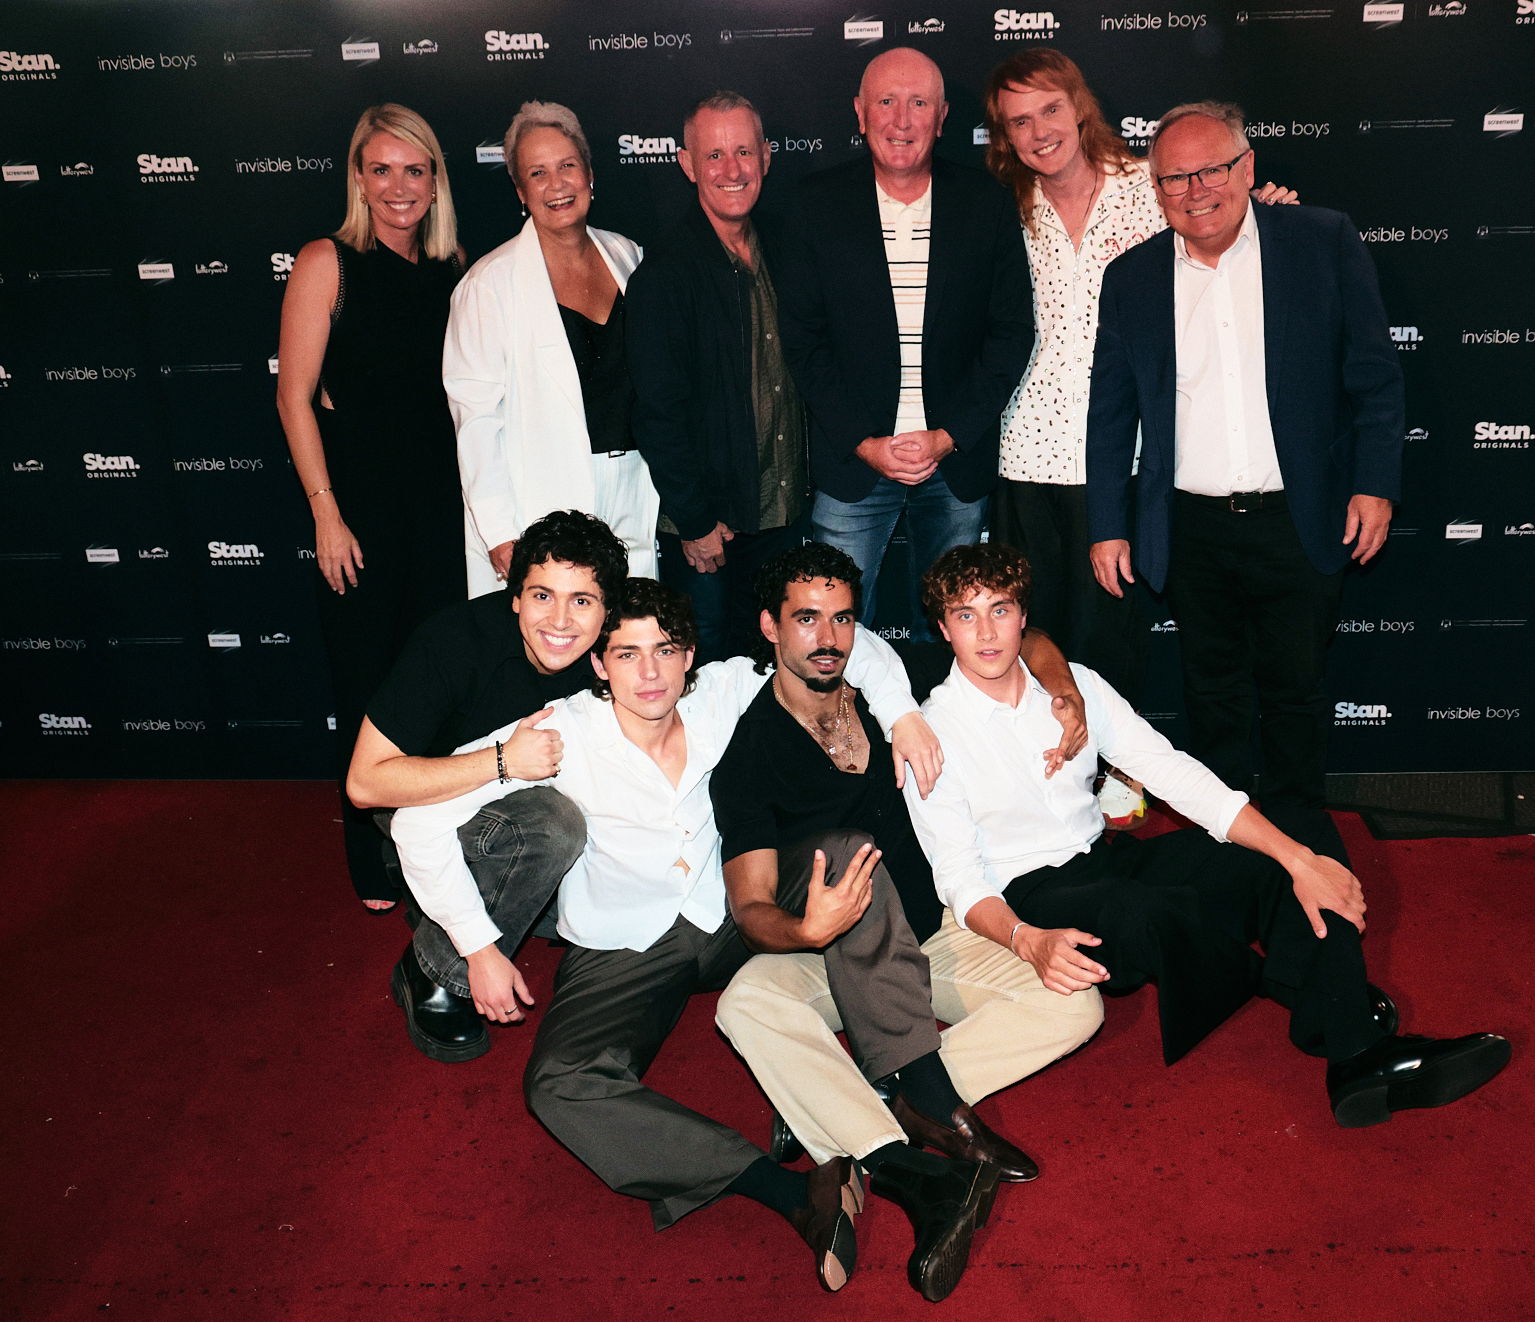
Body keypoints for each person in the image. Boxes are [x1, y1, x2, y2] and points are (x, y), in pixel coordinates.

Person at [390, 578, 966, 1290]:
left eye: (665, 651)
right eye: (627, 655)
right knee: (559, 1086)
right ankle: (792, 1191)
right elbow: (417, 822)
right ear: (598, 664)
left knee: (848, 853)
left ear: (689, 654)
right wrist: (478, 947)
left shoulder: (720, 691)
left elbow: (840, 643)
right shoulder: (558, 731)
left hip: (727, 913)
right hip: (623, 940)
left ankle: (913, 1088)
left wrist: (904, 714)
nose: (651, 674)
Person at [905, 542, 1508, 1126]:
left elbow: (1170, 771)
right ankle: (1324, 994)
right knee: (1145, 910)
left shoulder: (1077, 687)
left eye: (999, 611)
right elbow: (959, 880)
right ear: (943, 628)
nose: (986, 633)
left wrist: (1297, 859)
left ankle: (1352, 1051)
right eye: (966, 615)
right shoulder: (933, 733)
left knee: (1298, 826)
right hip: (1034, 896)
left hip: (1108, 859)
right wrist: (1025, 941)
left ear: (1023, 618)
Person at [709, 544, 1103, 1300]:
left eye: (842, 618)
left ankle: (862, 1105)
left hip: (939, 927)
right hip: (830, 951)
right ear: (768, 627)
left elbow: (1027, 640)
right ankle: (921, 1141)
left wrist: (1063, 692)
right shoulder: (750, 758)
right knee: (746, 1001)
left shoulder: (899, 686)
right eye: (804, 619)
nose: (827, 637)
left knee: (1076, 1001)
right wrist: (808, 929)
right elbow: (752, 908)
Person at [1084, 102, 1405, 809]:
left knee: (1295, 694)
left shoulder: (1321, 241)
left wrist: (1375, 482)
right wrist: (1108, 523)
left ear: (1248, 167)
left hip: (1299, 519)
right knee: (1211, 698)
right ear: (1155, 189)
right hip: (1190, 531)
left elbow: (1375, 376)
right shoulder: (1130, 278)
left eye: (1213, 170)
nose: (1196, 190)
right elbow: (1109, 414)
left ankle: (1295, 846)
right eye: (1175, 179)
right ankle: (1226, 852)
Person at [982, 52, 1296, 704]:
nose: (1039, 131)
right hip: (1025, 456)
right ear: (1004, 136)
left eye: (1049, 109)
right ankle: (1046, 776)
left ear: (1078, 107)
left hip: (1123, 455)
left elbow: (1221, 226)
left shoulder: (1150, 187)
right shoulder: (1003, 207)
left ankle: (1118, 770)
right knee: (1031, 633)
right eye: (1019, 121)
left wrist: (1264, 209)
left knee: (1114, 635)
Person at [345, 510, 628, 1063]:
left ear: (606, 611)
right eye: (543, 595)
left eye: (583, 601)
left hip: (512, 789)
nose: (562, 621)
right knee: (552, 828)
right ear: (515, 596)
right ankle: (431, 969)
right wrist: (501, 761)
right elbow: (364, 785)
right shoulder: (452, 644)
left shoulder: (604, 653)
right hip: (415, 792)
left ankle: (449, 889)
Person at [275, 103, 468, 911]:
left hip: (443, 516)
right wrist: (325, 513)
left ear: (434, 181)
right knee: (366, 681)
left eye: (414, 170)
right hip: (356, 515)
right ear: (358, 177)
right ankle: (368, 848)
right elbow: (292, 396)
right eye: (381, 169)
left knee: (438, 685)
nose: (398, 187)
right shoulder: (329, 261)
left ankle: (435, 844)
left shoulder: (457, 270)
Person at [776, 48, 1033, 632]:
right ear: (860, 113)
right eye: (886, 102)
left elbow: (1011, 332)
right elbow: (804, 342)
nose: (902, 120)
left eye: (919, 103)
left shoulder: (986, 203)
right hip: (854, 466)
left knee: (956, 633)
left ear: (942, 117)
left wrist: (950, 434)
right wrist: (863, 442)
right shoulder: (815, 206)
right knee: (833, 635)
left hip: (955, 466)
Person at [445, 101, 659, 596]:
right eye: (538, 173)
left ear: (589, 173)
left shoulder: (629, 256)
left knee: (628, 640)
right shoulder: (488, 284)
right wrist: (500, 533)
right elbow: (475, 418)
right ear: (520, 191)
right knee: (553, 644)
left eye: (567, 166)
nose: (557, 184)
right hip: (538, 500)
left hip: (634, 485)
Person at [628, 91, 810, 663]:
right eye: (714, 156)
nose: (732, 171)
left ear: (767, 157)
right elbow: (657, 410)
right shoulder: (665, 274)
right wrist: (694, 518)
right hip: (713, 528)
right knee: (704, 673)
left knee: (769, 672)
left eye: (744, 153)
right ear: (687, 164)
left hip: (779, 515)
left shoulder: (785, 249)